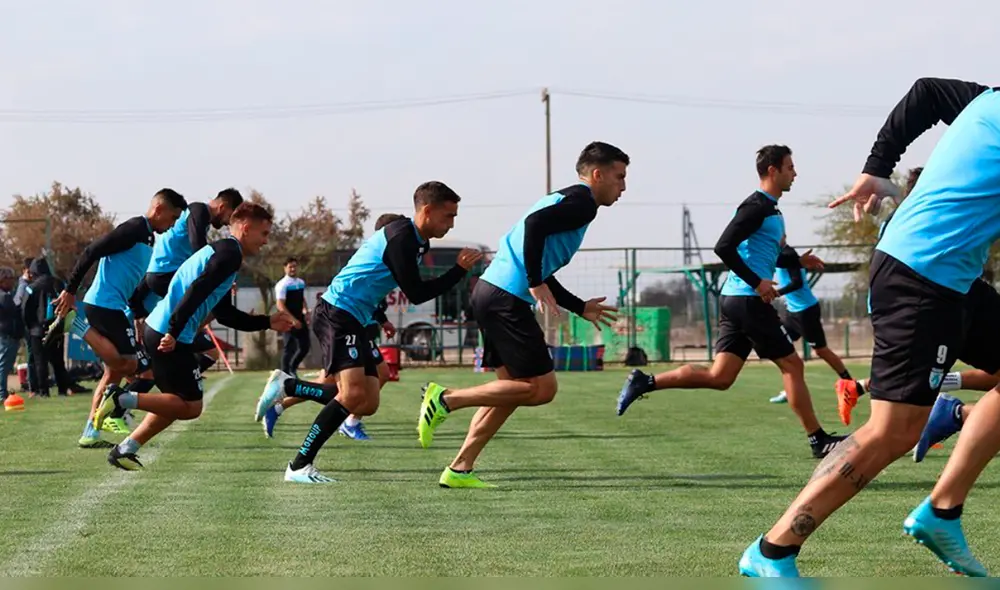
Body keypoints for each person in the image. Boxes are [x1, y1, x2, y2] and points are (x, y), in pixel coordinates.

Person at [739, 77, 1000, 578]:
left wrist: (877, 170)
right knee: (891, 431)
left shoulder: (987, 100)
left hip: (952, 276)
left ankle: (942, 511)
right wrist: (877, 170)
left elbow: (926, 93)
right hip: (921, 275)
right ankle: (772, 551)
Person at [415, 142, 625, 489]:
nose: (623, 187)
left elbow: (538, 249)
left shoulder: (567, 200)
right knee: (542, 389)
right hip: (504, 298)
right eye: (619, 178)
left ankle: (459, 468)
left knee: (511, 390)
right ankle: (445, 399)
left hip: (491, 293)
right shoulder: (583, 203)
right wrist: (534, 281)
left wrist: (578, 305)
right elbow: (535, 226)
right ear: (598, 175)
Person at [617, 145, 845, 459]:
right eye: (790, 167)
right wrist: (758, 282)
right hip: (748, 300)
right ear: (772, 171)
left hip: (737, 301)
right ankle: (818, 439)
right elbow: (723, 247)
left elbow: (766, 249)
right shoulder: (755, 207)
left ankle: (646, 381)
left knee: (720, 377)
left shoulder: (772, 210)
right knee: (792, 364)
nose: (796, 173)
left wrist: (796, 259)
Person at [253, 181, 482, 484]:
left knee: (367, 402)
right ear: (427, 211)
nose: (452, 224)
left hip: (355, 317)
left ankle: (290, 387)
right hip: (339, 312)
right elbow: (416, 292)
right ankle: (299, 466)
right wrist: (458, 270)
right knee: (353, 394)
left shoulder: (416, 241)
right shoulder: (403, 238)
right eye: (448, 216)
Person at [93, 202, 295, 470]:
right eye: (265, 233)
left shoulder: (226, 253)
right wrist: (175, 331)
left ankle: (126, 448)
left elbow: (224, 314)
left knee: (175, 402)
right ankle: (120, 399)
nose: (266, 241)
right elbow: (196, 289)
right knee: (191, 407)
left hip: (163, 329)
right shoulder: (229, 254)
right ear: (246, 228)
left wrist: (267, 321)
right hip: (169, 332)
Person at [53, 189, 188, 448]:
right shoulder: (136, 227)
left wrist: (136, 314)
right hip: (104, 305)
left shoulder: (148, 236)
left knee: (116, 373)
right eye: (172, 218)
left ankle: (90, 432)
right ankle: (76, 325)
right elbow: (92, 250)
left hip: (113, 307)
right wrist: (70, 290)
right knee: (129, 365)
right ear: (159, 209)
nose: (171, 225)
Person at [261, 214, 403, 441]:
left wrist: (382, 320)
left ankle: (283, 404)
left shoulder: (385, 257)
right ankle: (291, 392)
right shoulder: (375, 257)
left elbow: (371, 298)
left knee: (343, 385)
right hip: (348, 327)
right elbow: (356, 293)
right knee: (345, 390)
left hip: (358, 326)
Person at [768, 243, 864, 418]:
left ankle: (850, 383)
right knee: (780, 347)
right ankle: (791, 388)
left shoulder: (788, 253)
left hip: (805, 311)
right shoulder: (777, 255)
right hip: (793, 312)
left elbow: (796, 282)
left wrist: (776, 293)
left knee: (820, 350)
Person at [275, 257, 310, 376]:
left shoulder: (300, 282)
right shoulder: (282, 285)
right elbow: (280, 305)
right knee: (289, 348)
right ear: (285, 268)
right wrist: (292, 320)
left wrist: (306, 311)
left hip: (300, 318)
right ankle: (284, 374)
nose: (293, 269)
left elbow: (302, 299)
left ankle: (292, 369)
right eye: (290, 267)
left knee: (305, 346)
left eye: (295, 266)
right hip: (288, 320)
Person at [0, 267, 23, 401]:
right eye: (10, 279)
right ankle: (1, 393)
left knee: (5, 365)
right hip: (7, 335)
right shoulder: (4, 297)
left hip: (6, 334)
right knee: (4, 365)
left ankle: (3, 392)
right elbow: (14, 312)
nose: (12, 282)